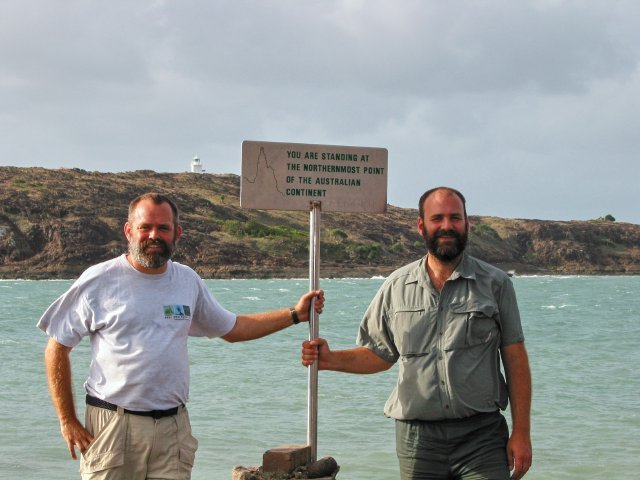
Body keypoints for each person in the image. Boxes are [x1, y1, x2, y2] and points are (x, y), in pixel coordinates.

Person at [38, 192, 324, 480]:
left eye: (163, 228)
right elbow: (57, 347)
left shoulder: (187, 280)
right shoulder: (99, 279)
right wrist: (67, 419)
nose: (154, 235)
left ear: (177, 233)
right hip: (113, 426)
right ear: (128, 231)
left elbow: (233, 329)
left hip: (173, 429)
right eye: (145, 227)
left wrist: (295, 315)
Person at [302, 187, 532, 480]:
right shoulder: (395, 287)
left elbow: (515, 360)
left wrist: (521, 432)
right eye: (437, 218)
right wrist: (330, 358)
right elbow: (379, 355)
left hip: (482, 437)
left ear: (467, 224)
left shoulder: (496, 284)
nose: (447, 226)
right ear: (422, 226)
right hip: (418, 442)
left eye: (455, 217)